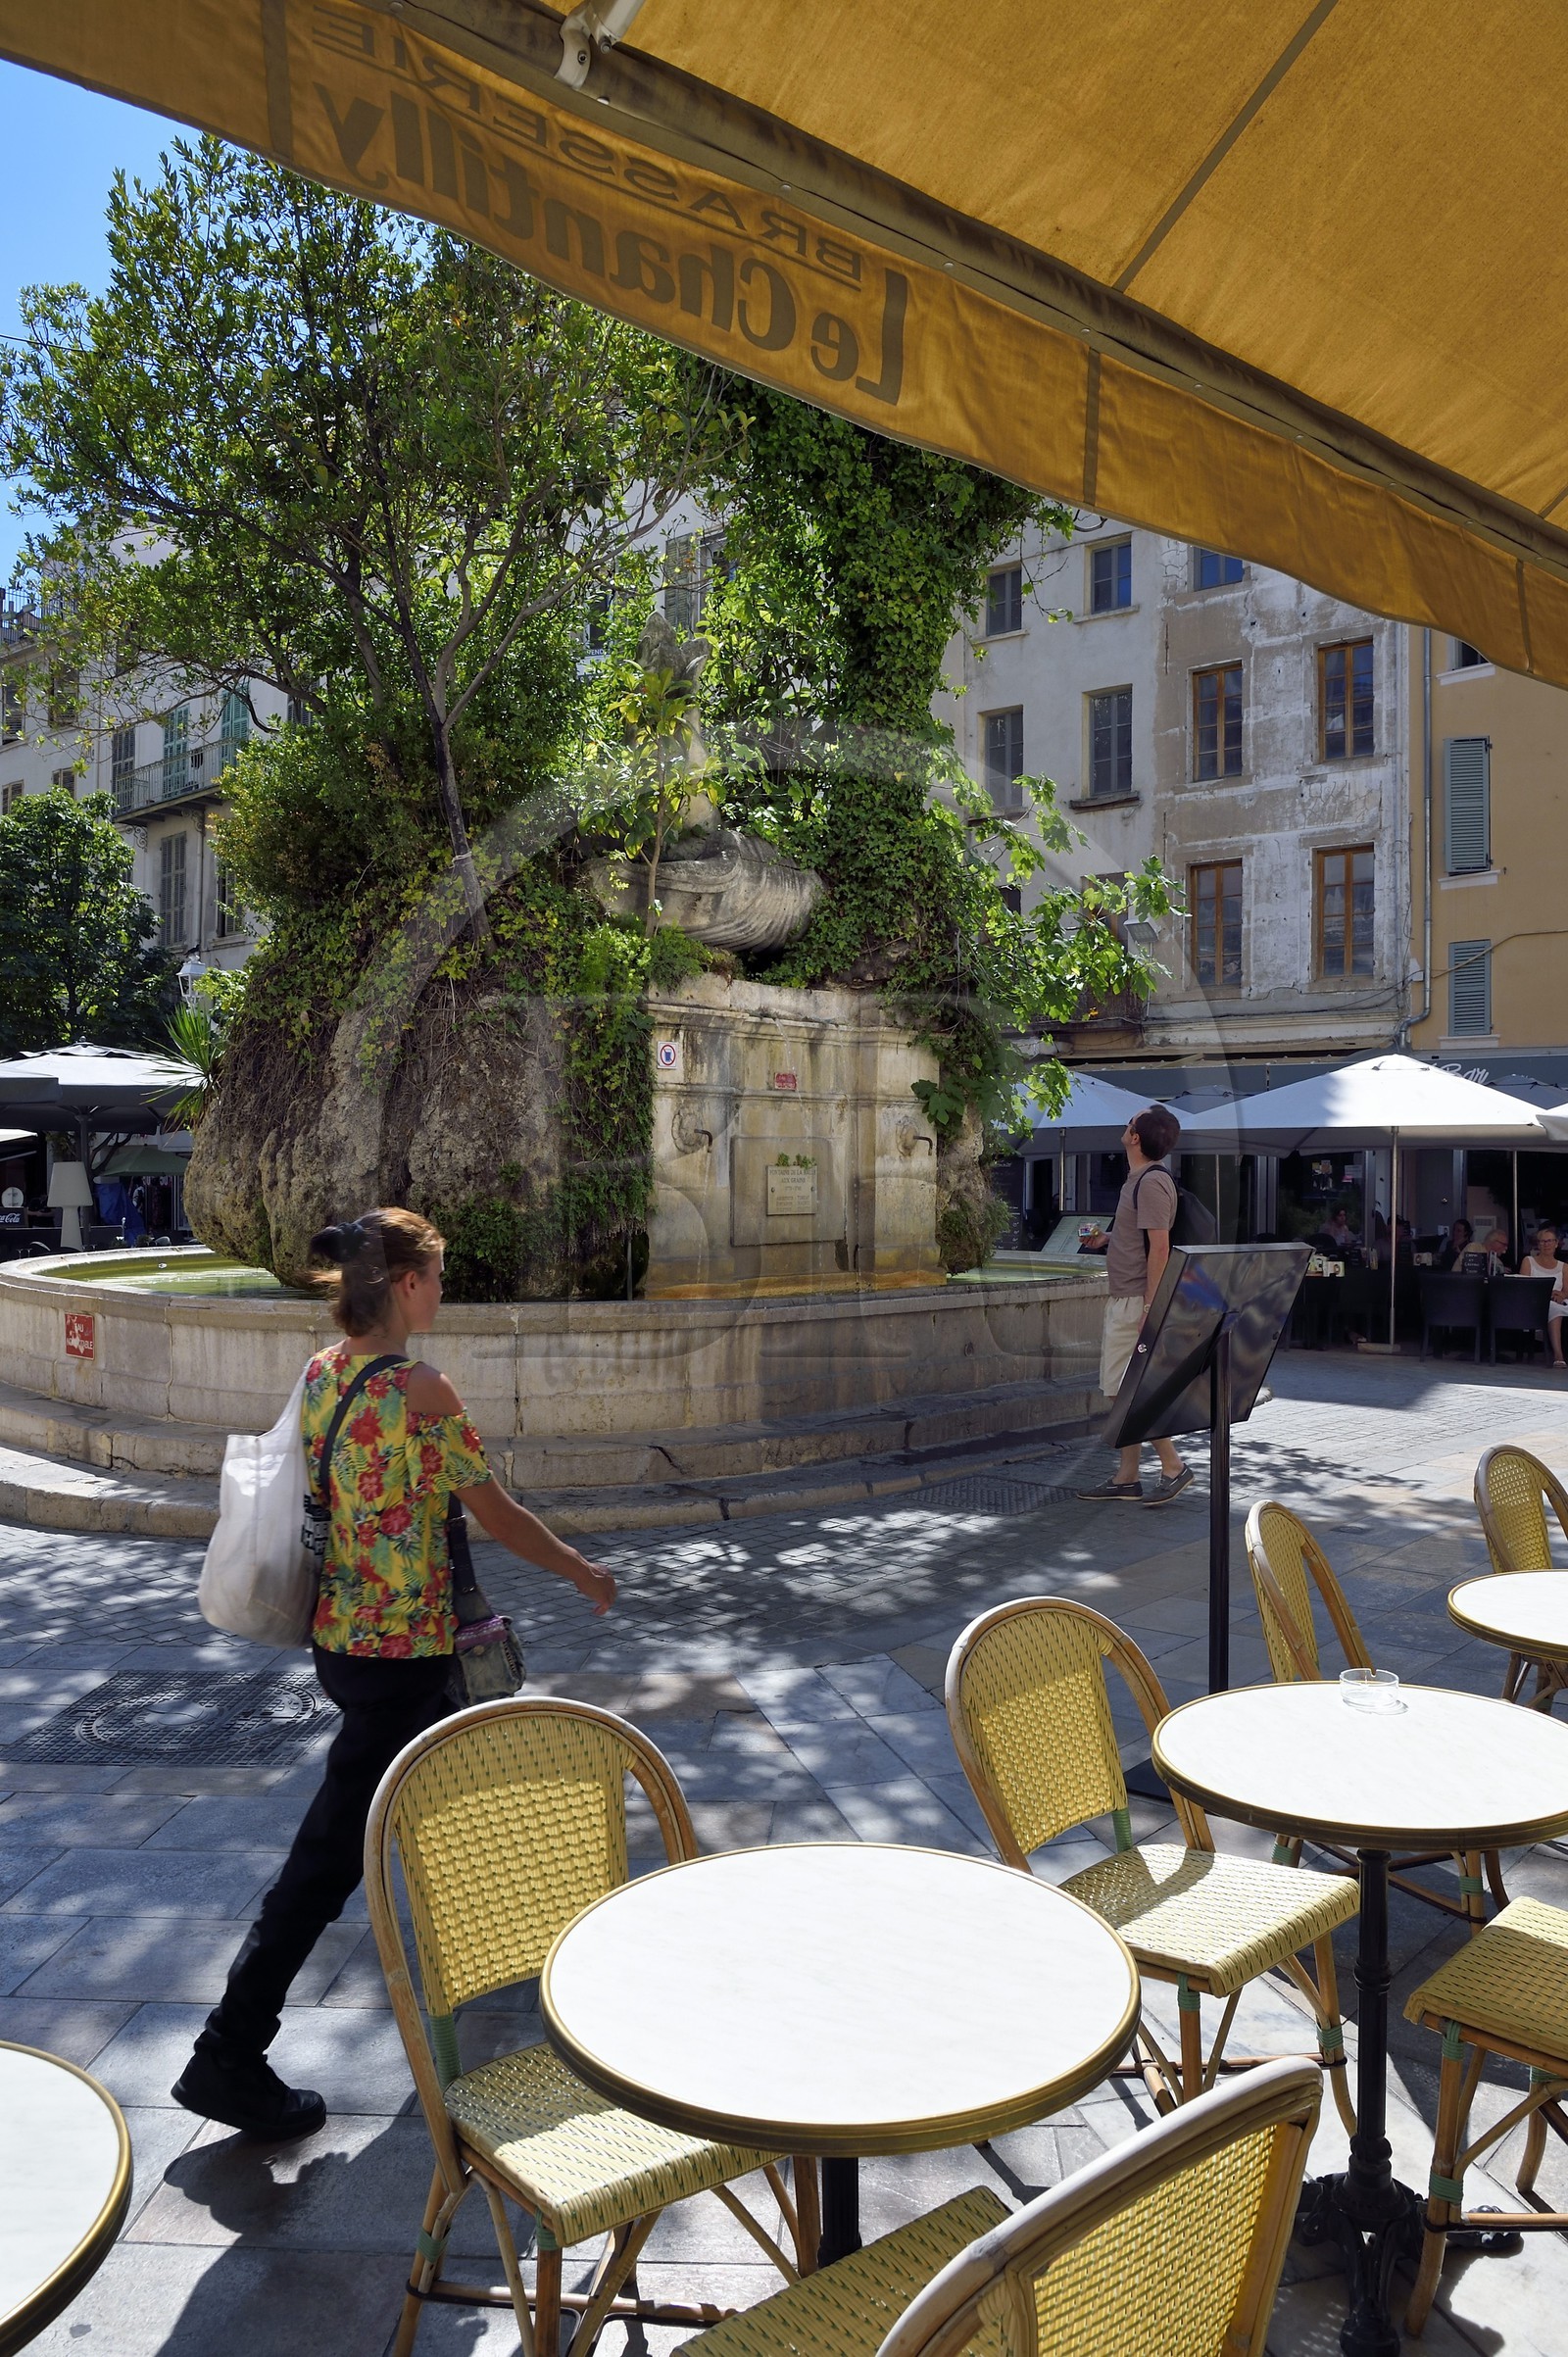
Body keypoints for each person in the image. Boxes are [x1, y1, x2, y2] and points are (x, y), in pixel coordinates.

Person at [172, 1207, 616, 2138]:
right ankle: (227, 2049)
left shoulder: (324, 1373)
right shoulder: (422, 1390)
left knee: (450, 1788)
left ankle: (500, 1962)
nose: (444, 1290)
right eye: (438, 1275)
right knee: (330, 1852)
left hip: (345, 1641)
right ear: (406, 1284)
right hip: (402, 1658)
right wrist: (580, 1569)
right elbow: (495, 1514)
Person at [1076, 1105, 1194, 1505]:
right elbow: (1140, 1238)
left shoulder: (1153, 1183)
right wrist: (1108, 1240)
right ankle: (1127, 1476)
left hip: (1135, 1301)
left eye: (1131, 1123)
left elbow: (1160, 1247)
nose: (1126, 1125)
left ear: (1136, 1137)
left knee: (1122, 1392)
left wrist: (1148, 1308)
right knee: (1126, 1388)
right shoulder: (1138, 1180)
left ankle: (1173, 1464)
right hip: (1127, 1297)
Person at [1521, 1224, 1568, 1368]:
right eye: (1542, 1241)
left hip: (1558, 1302)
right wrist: (1546, 1294)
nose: (1546, 1244)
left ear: (1556, 1244)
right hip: (1535, 1304)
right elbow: (1523, 1287)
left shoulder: (1564, 1267)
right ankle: (1558, 1355)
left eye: (1549, 1241)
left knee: (1557, 1306)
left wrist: (1562, 1295)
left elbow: (1566, 1291)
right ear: (1538, 1244)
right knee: (1555, 1309)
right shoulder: (1529, 1261)